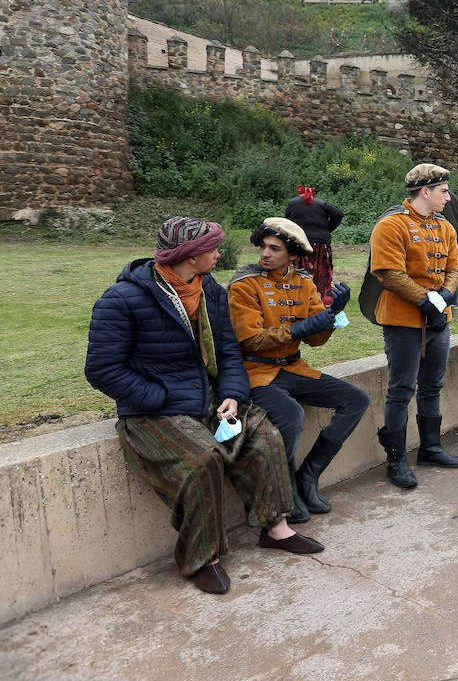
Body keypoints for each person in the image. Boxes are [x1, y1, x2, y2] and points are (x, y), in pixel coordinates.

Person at [85, 217, 323, 596]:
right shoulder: (122, 300)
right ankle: (202, 558)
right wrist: (158, 398)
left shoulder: (209, 290)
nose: (218, 253)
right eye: (212, 249)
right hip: (153, 411)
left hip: (209, 401)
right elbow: (102, 370)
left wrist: (231, 393)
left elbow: (229, 350)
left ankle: (276, 529)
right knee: (202, 458)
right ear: (190, 255)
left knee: (264, 435)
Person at [228, 217, 370, 524]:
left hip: (294, 368)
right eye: (263, 246)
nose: (265, 254)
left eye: (274, 249)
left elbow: (317, 340)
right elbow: (251, 340)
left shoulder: (303, 282)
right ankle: (287, 487)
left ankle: (309, 475)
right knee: (291, 416)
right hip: (256, 372)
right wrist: (300, 328)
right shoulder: (244, 284)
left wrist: (333, 313)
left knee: (356, 400)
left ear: (293, 255)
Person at [365, 163, 458, 490]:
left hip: (439, 319)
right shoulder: (391, 225)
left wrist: (447, 295)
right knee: (401, 389)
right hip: (403, 320)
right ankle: (396, 459)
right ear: (425, 191)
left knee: (433, 385)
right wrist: (426, 300)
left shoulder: (445, 227)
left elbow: (454, 266)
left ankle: (431, 448)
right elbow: (389, 273)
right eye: (443, 191)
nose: (447, 197)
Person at [285, 186, 344, 304]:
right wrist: (327, 229)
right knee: (322, 272)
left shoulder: (292, 203)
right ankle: (324, 299)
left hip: (301, 244)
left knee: (300, 271)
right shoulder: (321, 204)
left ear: (299, 194)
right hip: (322, 244)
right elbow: (338, 214)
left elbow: (287, 222)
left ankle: (299, 298)